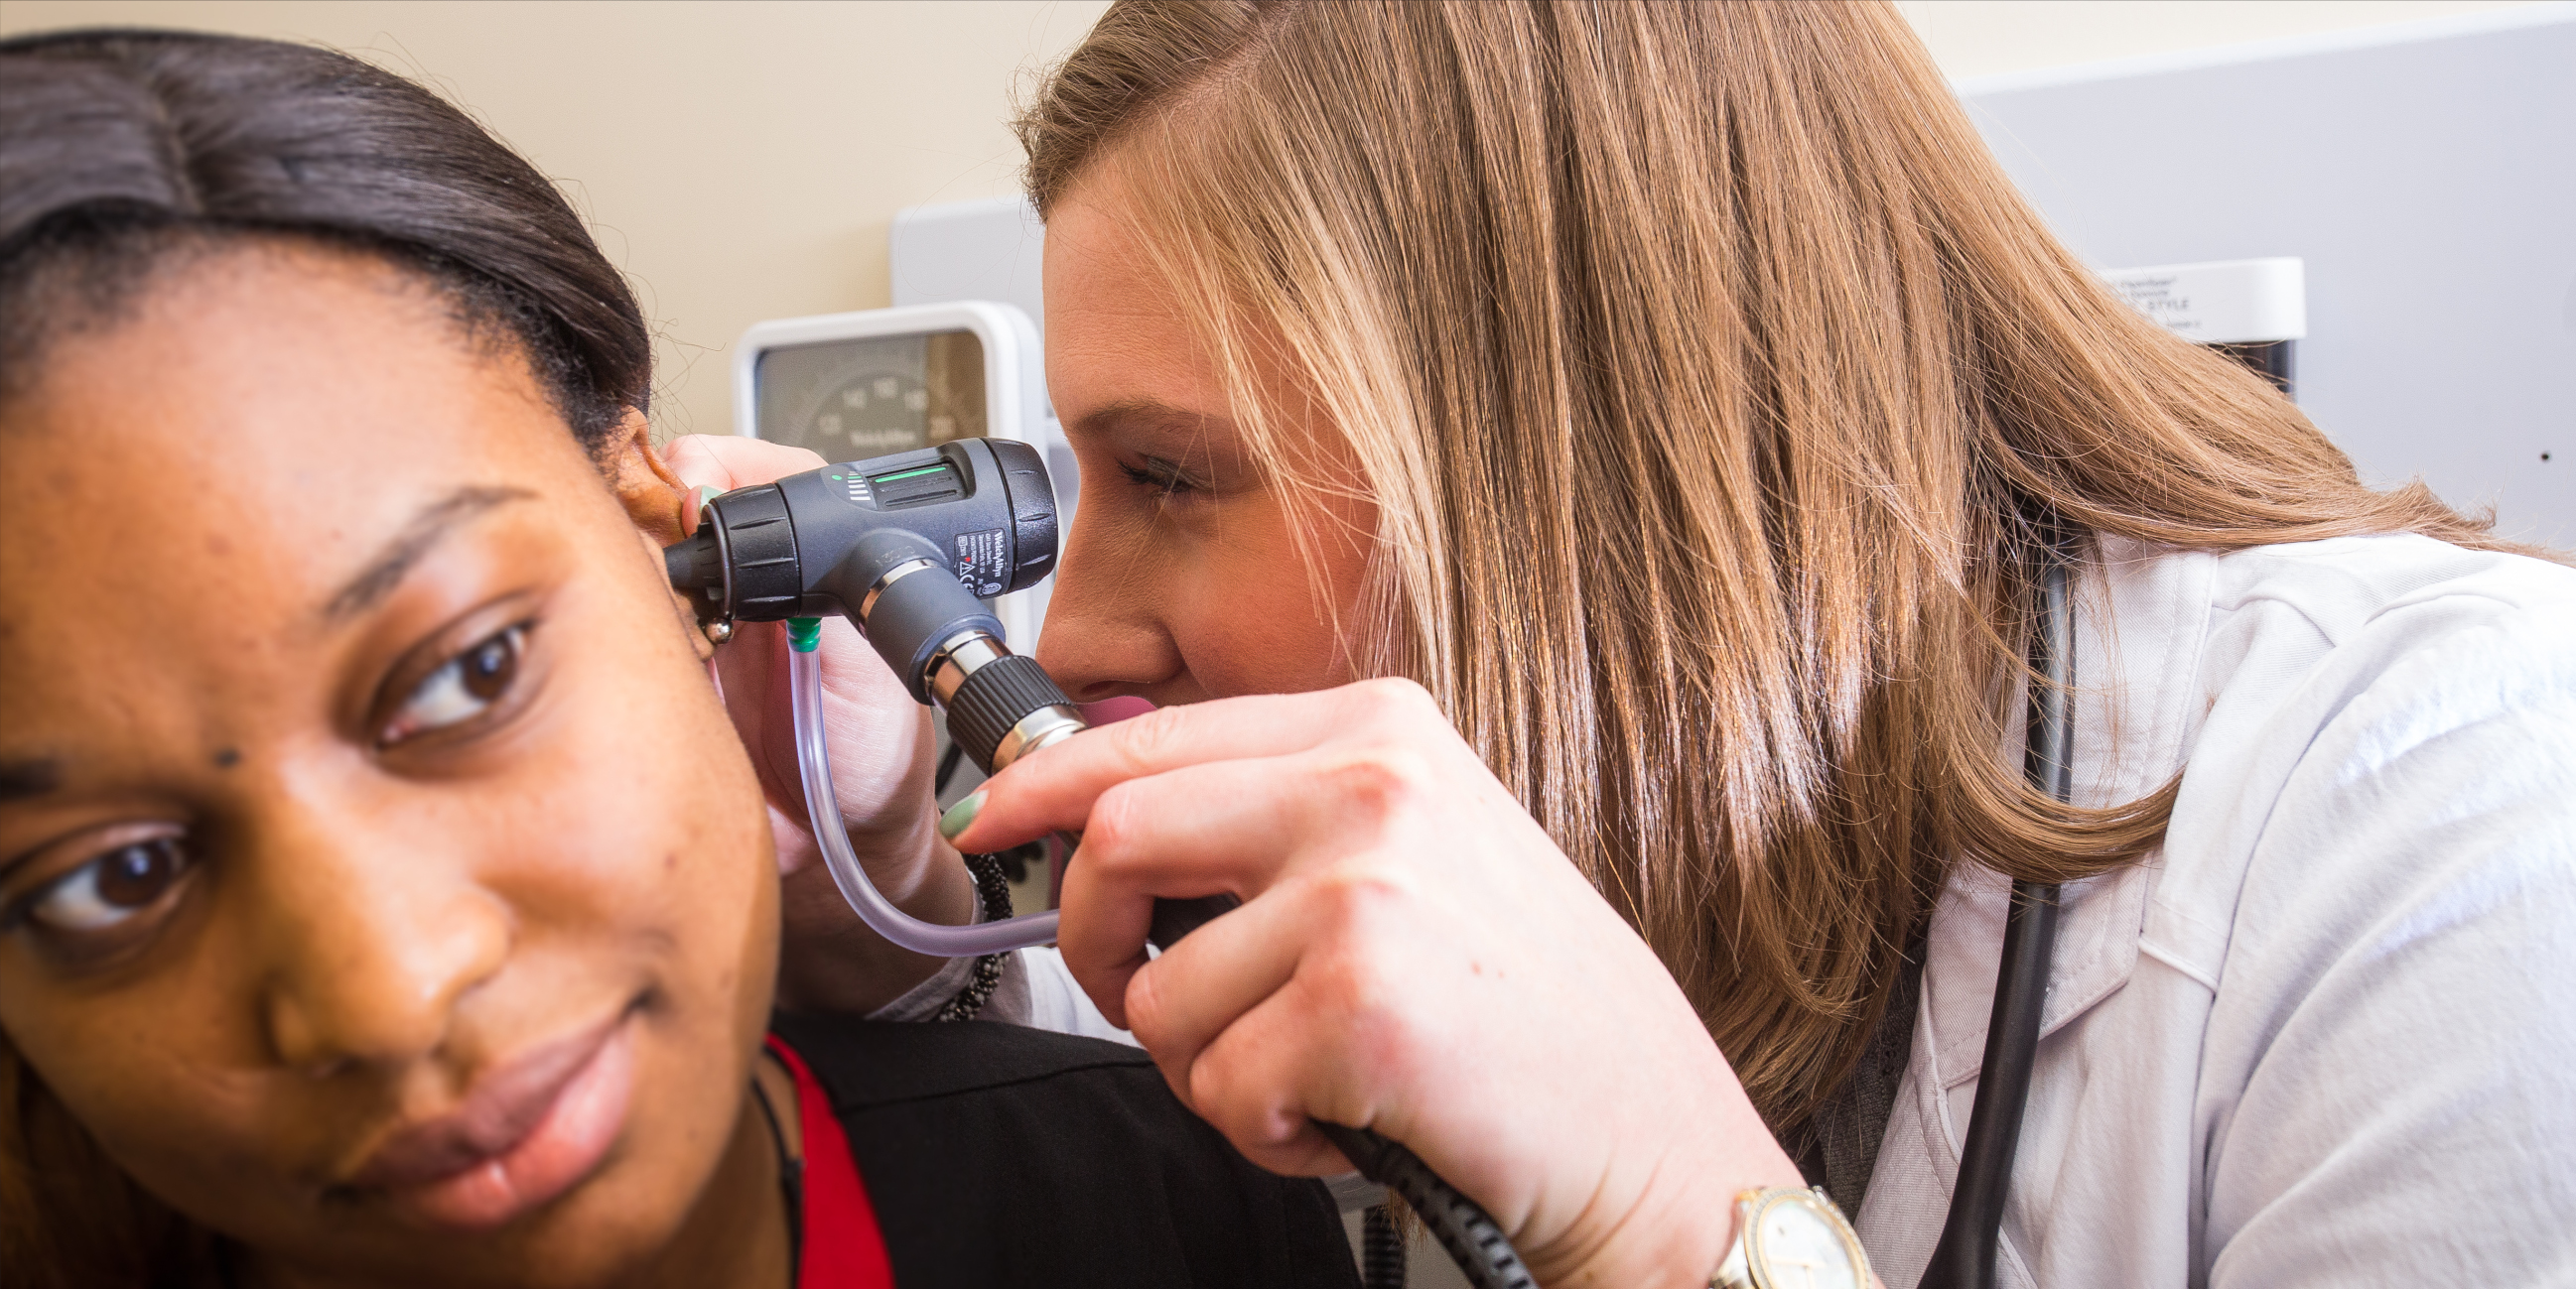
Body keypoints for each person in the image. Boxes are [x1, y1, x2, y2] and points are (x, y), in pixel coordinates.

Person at [739, 3, 2576, 1286]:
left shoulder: (2455, 820)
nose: (1075, 626)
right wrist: (887, 881)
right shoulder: (1553, 785)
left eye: (1167, 475)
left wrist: (1685, 1226)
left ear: (1582, 461)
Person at [0, 29, 1362, 1289]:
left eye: (469, 677)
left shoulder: (1163, 1209)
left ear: (668, 532)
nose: (386, 993)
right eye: (109, 879)